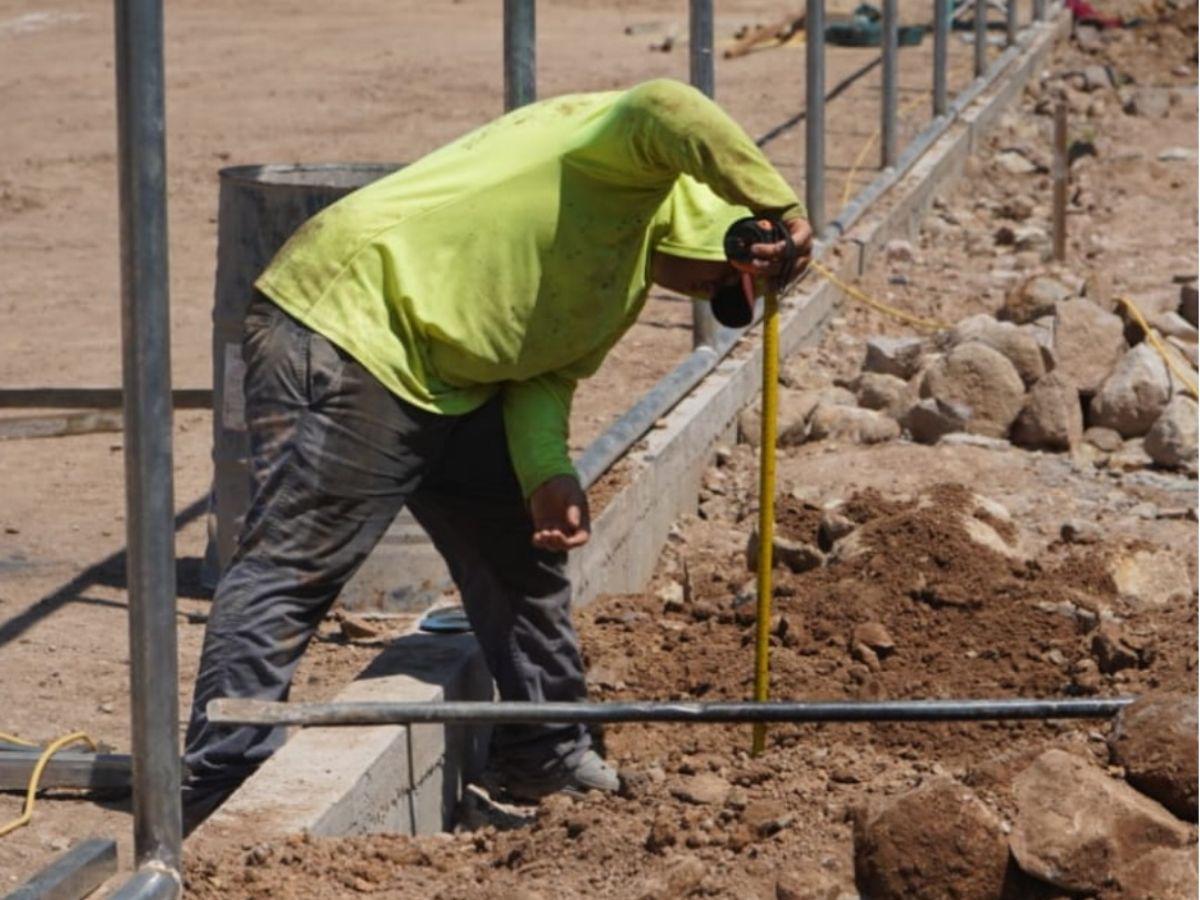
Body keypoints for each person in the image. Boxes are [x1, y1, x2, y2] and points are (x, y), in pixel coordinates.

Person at [182, 77, 812, 828]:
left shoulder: (620, 284)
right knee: (294, 568)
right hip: (354, 327)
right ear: (717, 231)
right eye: (725, 277)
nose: (711, 292)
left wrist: (547, 475)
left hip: (450, 374)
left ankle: (544, 749)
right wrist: (784, 209)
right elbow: (667, 103)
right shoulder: (620, 161)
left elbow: (542, 373)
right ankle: (222, 785)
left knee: (521, 561)